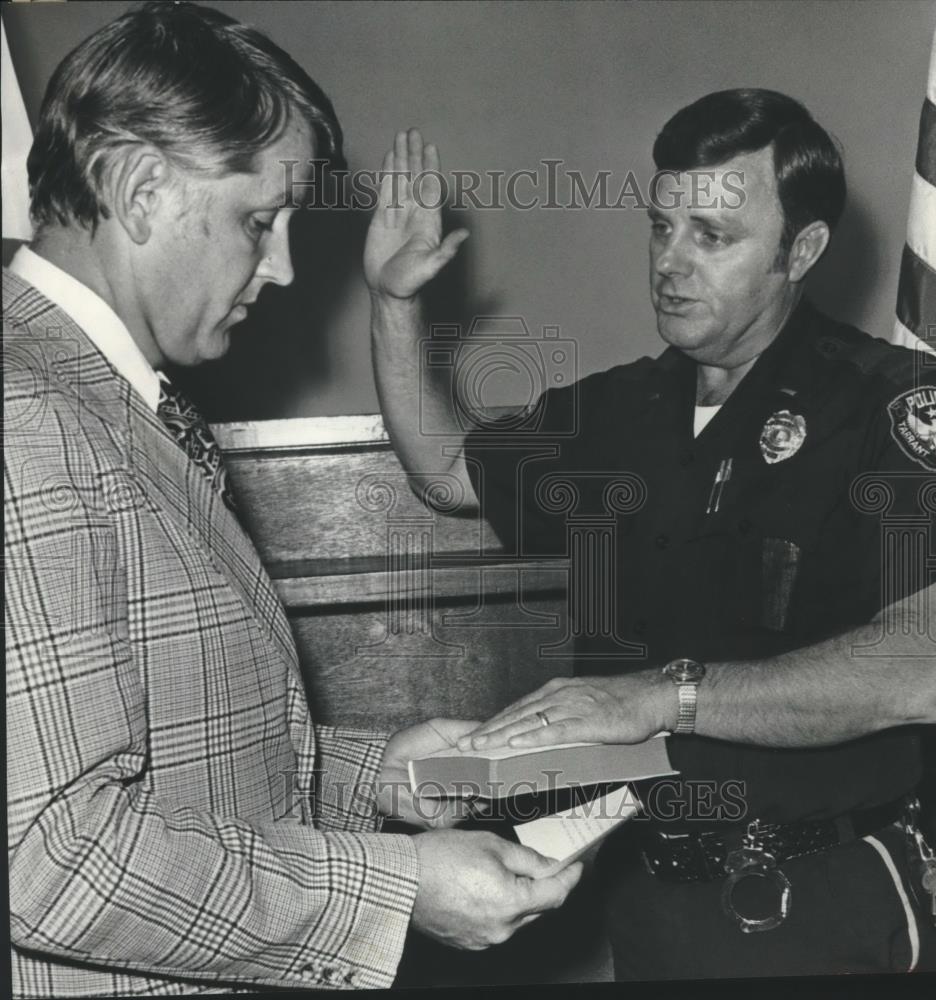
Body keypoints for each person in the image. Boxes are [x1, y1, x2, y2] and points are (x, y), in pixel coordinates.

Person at [3, 4, 582, 996]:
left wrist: (378, 775)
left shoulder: (104, 403)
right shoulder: (28, 413)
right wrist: (390, 890)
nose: (282, 268)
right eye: (259, 220)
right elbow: (52, 860)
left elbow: (173, 758)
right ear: (142, 190)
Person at [364, 90, 936, 978]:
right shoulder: (626, 409)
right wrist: (393, 306)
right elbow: (447, 471)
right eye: (662, 227)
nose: (670, 261)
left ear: (800, 251)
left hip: (827, 904)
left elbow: (924, 674)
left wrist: (659, 696)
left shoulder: (892, 403)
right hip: (651, 904)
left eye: (713, 237)